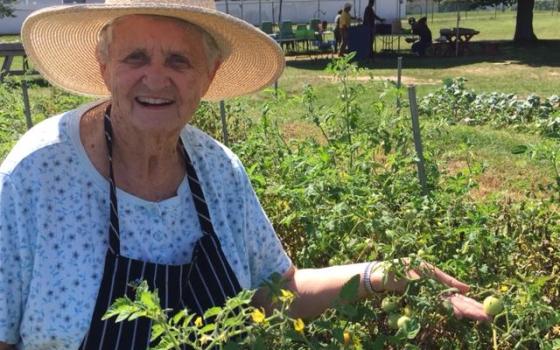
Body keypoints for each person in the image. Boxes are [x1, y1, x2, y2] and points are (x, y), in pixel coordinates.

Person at [0, 0, 490, 348]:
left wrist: (384, 274)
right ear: (103, 66)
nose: (155, 77)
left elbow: (277, 291)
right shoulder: (36, 174)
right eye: (135, 57)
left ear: (209, 76)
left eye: (179, 60)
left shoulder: (217, 172)